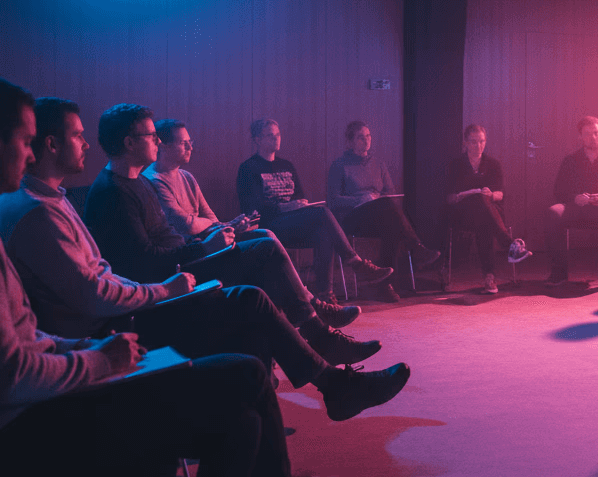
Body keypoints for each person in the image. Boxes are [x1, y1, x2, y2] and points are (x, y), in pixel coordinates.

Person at [0, 78, 351, 477]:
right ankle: (313, 416)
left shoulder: (50, 203)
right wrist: (98, 356)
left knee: (245, 366)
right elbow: (31, 354)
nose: (27, 152)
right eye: (24, 140)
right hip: (39, 425)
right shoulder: (32, 212)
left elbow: (31, 333)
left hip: (87, 357)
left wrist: (83, 348)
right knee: (246, 342)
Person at [0, 97, 411, 421]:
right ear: (129, 142)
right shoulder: (97, 195)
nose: (86, 144)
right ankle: (322, 355)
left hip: (156, 287)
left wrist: (210, 240)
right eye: (152, 136)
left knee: (256, 283)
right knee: (258, 270)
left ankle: (310, 386)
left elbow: (111, 269)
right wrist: (181, 272)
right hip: (141, 307)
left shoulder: (77, 196)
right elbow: (131, 269)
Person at [81, 103, 391, 369]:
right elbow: (150, 256)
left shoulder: (139, 182)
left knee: (268, 245)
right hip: (177, 275)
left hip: (191, 254)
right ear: (130, 143)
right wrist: (202, 246)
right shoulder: (116, 192)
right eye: (152, 136)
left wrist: (221, 231)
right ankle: (317, 325)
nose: (157, 141)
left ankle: (316, 328)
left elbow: (192, 226)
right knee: (265, 253)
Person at [144, 118, 362, 328]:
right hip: (192, 251)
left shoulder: (186, 177)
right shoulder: (154, 180)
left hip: (210, 239)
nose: (190, 147)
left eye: (190, 142)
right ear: (163, 146)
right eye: (184, 143)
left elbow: (210, 218)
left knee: (267, 235)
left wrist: (229, 225)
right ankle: (314, 306)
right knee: (270, 241)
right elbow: (186, 225)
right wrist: (214, 226)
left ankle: (312, 306)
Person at [235, 119, 393, 303]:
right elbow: (252, 209)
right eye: (270, 135)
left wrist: (299, 204)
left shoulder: (286, 165)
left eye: (278, 134)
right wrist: (284, 207)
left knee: (323, 232)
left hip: (293, 222)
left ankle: (326, 295)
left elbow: (300, 195)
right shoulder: (248, 168)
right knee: (322, 213)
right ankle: (356, 263)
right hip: (269, 225)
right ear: (257, 140)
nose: (276, 139)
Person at [327, 121, 440, 302]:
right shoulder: (340, 165)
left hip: (377, 214)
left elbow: (391, 192)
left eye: (368, 136)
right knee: (388, 211)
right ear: (350, 142)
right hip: (353, 217)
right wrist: (360, 199)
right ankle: (416, 247)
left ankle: (385, 285)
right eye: (360, 137)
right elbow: (333, 201)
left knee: (391, 225)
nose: (366, 141)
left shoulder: (378, 163)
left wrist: (376, 199)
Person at [545, 116, 598, 287]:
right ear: (580, 137)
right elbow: (558, 191)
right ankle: (559, 273)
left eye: (597, 132)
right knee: (554, 213)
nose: (593, 137)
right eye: (588, 134)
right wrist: (574, 198)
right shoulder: (570, 161)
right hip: (576, 208)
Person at [445, 123, 531, 294]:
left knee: (483, 214)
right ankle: (507, 249)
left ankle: (490, 276)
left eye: (482, 141)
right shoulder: (456, 165)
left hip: (488, 214)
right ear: (465, 143)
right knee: (481, 211)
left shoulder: (493, 164)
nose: (478, 146)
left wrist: (491, 195)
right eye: (474, 142)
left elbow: (501, 194)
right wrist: (462, 195)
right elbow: (449, 198)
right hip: (463, 214)